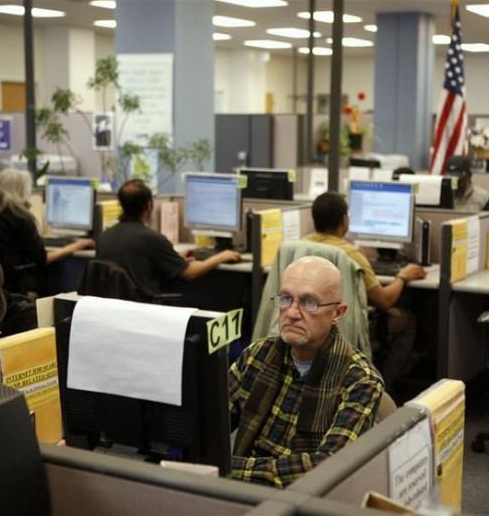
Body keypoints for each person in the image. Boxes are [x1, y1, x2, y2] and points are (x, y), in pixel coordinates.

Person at [229, 256, 383, 488]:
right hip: (241, 491)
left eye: (309, 303)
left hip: (307, 500)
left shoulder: (360, 381)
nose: (291, 313)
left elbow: (328, 466)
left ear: (337, 313)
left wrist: (230, 468)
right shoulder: (258, 355)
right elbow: (212, 421)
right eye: (286, 299)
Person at [304, 192, 425, 391]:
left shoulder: (299, 245)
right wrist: (402, 276)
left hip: (309, 320)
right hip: (343, 325)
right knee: (407, 320)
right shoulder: (350, 253)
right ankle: (381, 386)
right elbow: (384, 300)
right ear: (345, 220)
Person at [96, 179, 241, 297]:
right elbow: (190, 273)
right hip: (142, 310)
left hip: (112, 311)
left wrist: (173, 259)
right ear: (149, 205)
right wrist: (221, 256)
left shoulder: (104, 236)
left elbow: (138, 262)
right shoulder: (151, 238)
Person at [0, 169, 93, 293]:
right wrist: (74, 246)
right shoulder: (19, 217)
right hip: (14, 284)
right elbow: (42, 258)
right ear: (22, 191)